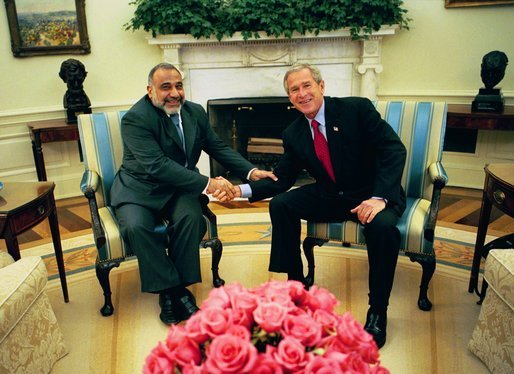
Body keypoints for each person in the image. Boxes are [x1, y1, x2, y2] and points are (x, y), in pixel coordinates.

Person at [234, 63, 406, 348]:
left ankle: (377, 310)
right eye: (294, 90)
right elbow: (282, 180)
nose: (302, 94)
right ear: (289, 98)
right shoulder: (294, 133)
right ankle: (296, 286)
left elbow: (393, 149)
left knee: (385, 228)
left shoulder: (356, 109)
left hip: (372, 194)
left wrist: (379, 197)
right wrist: (239, 189)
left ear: (321, 86)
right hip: (332, 195)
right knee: (281, 204)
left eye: (306, 86)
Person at [110, 62, 276, 325]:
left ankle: (176, 289)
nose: (174, 93)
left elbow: (217, 146)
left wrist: (251, 171)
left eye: (178, 85)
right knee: (135, 227)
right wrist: (208, 184)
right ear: (150, 90)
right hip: (139, 189)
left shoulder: (194, 112)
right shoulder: (136, 119)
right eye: (165, 87)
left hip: (178, 189)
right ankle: (173, 292)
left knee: (192, 220)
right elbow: (156, 166)